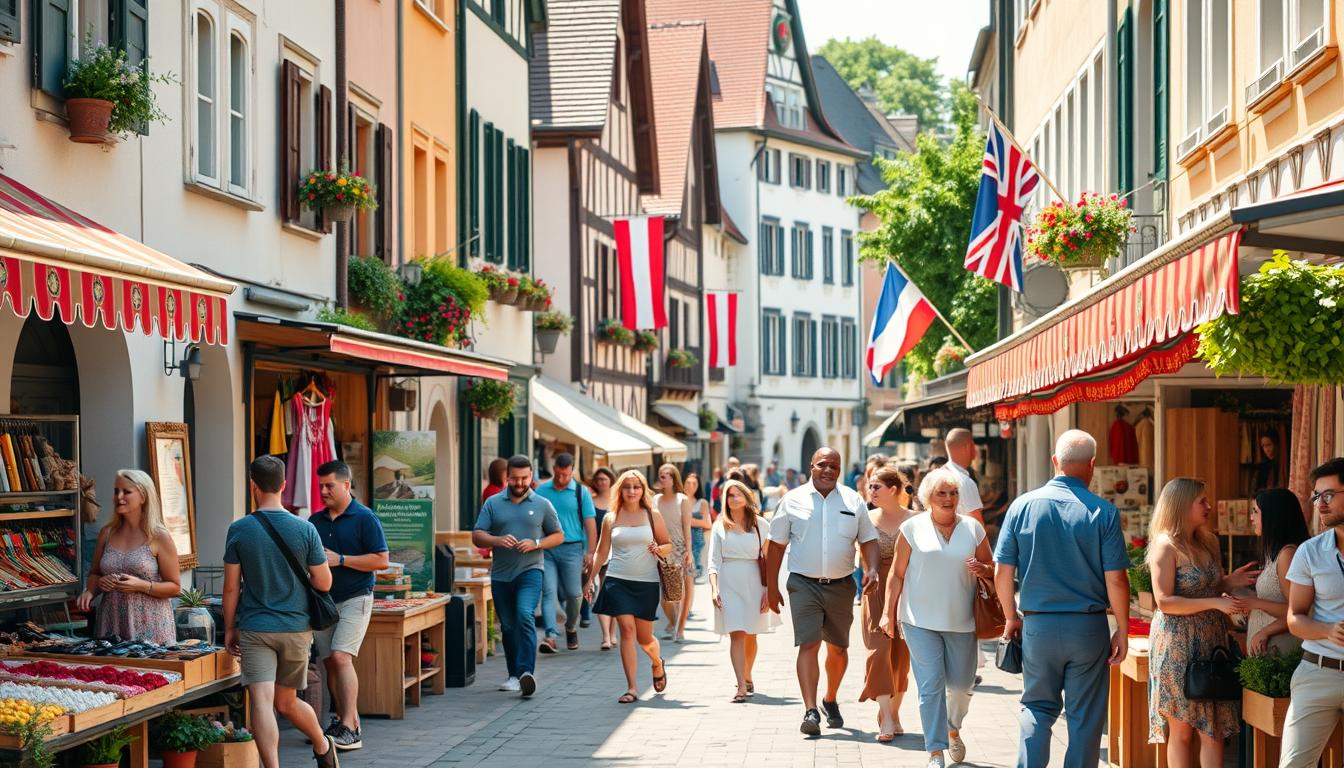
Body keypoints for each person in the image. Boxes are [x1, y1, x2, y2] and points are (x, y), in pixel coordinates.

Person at [993, 430, 1130, 768]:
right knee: (1085, 716)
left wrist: (1011, 617)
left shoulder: (1022, 506)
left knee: (1036, 707)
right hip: (1088, 628)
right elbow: (1116, 578)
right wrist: (1123, 629)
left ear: (1055, 461)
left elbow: (1002, 571)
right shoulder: (1103, 512)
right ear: (1093, 466)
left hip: (1038, 625)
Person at [222, 456, 339, 768]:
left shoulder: (239, 529)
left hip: (255, 627)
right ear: (285, 485)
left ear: (253, 486)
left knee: (262, 702)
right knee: (286, 702)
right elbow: (324, 583)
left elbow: (231, 587)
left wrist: (230, 627)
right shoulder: (306, 529)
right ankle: (322, 743)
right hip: (296, 628)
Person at [880, 468, 992, 768]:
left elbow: (992, 567)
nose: (948, 498)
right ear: (928, 497)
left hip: (962, 621)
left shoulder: (973, 528)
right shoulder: (912, 528)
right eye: (942, 493)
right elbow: (896, 574)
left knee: (960, 686)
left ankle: (952, 727)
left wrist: (984, 570)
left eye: (953, 493)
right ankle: (935, 751)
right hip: (919, 621)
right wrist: (887, 613)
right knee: (930, 686)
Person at [766, 447, 881, 737]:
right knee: (809, 644)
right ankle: (810, 709)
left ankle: (830, 698)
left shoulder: (853, 500)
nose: (828, 470)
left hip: (841, 586)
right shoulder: (792, 500)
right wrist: (770, 588)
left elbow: (868, 539)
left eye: (834, 466)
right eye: (823, 465)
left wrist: (872, 568)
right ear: (811, 467)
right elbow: (776, 545)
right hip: (803, 584)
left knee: (839, 649)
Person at [1145, 477, 1256, 765]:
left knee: (1214, 727)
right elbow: (1164, 602)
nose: (1209, 506)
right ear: (1182, 505)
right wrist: (1216, 601)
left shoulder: (1209, 541)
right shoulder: (1165, 545)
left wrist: (1229, 582)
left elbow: (1211, 586)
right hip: (1176, 643)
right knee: (1182, 729)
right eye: (1202, 501)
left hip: (1211, 640)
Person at [309, 461, 388, 751]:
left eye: (329, 486)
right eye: (320, 486)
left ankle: (351, 727)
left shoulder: (365, 518)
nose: (323, 491)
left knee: (342, 658)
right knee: (330, 663)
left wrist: (341, 559)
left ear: (346, 485)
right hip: (323, 602)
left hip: (357, 597)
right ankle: (343, 718)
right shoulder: (314, 522)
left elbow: (381, 559)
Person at [471, 455, 563, 696]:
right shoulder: (493, 503)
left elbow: (558, 535)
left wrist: (536, 543)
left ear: (531, 476)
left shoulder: (543, 504)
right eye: (515, 478)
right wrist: (497, 540)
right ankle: (513, 675)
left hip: (531, 571)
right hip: (501, 575)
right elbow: (477, 534)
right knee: (509, 626)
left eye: (524, 478)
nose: (520, 483)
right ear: (507, 477)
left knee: (524, 615)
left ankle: (525, 673)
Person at [587, 470, 673, 704]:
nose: (632, 491)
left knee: (645, 639)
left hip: (646, 582)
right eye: (627, 487)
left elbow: (668, 545)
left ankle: (657, 662)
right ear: (620, 490)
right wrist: (589, 580)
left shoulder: (652, 515)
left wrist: (659, 549)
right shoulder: (611, 517)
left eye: (636, 487)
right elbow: (601, 552)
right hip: (617, 579)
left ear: (643, 490)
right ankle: (632, 688)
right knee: (626, 630)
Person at [1280, 457, 1344, 766]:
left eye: (1328, 495)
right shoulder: (1309, 551)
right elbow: (1295, 617)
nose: (1319, 503)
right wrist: (1327, 630)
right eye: (1316, 496)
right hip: (1319, 672)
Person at [77, 469, 181, 645]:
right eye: (116, 491)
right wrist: (92, 590)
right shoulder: (107, 533)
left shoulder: (158, 536)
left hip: (150, 626)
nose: (119, 497)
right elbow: (95, 573)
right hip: (112, 622)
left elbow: (175, 587)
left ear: (143, 496)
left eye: (126, 491)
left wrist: (142, 586)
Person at [708, 479, 775, 702]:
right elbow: (713, 561)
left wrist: (769, 590)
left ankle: (747, 674)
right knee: (736, 632)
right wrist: (714, 588)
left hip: (755, 582)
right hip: (728, 581)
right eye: (729, 495)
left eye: (738, 494)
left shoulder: (760, 525)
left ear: (747, 497)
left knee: (751, 634)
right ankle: (740, 686)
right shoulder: (720, 526)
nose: (733, 498)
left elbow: (769, 559)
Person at [860, 466, 914, 742]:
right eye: (870, 486)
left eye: (876, 486)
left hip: (908, 593)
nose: (871, 491)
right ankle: (886, 716)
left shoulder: (916, 520)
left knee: (901, 658)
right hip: (875, 592)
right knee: (878, 652)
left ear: (894, 489)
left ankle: (893, 712)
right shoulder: (865, 519)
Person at [533, 453, 597, 653]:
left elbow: (590, 523)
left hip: (572, 549)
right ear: (554, 470)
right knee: (549, 591)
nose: (561, 479)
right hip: (548, 548)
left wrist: (590, 552)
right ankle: (550, 635)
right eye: (558, 474)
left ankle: (570, 626)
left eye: (566, 475)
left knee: (574, 594)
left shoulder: (581, 492)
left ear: (572, 472)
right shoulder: (542, 491)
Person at [1245, 488, 1309, 656]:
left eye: (1255, 512)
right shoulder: (1272, 553)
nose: (1251, 518)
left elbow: (1298, 611)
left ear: (1273, 516)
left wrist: (1255, 605)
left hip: (1283, 651)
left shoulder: (1287, 554)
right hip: (1269, 655)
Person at [653, 464, 695, 642]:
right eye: (660, 475)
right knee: (666, 595)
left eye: (665, 476)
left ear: (673, 479)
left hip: (680, 548)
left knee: (682, 590)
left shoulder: (682, 499)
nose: (661, 478)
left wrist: (689, 551)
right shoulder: (655, 499)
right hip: (661, 547)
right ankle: (672, 621)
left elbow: (687, 526)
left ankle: (680, 628)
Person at [582, 467, 616, 633]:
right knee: (586, 581)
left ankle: (610, 633)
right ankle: (585, 614)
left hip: (614, 550)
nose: (601, 482)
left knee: (608, 588)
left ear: (611, 480)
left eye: (604, 479)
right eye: (598, 479)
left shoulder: (617, 501)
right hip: (593, 548)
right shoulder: (590, 500)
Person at [943, 429, 985, 526]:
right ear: (968, 447)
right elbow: (978, 527)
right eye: (973, 445)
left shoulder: (935, 476)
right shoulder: (965, 482)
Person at [685, 473, 713, 582]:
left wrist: (686, 521)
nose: (691, 486)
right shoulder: (678, 500)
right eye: (688, 482)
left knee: (695, 577)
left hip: (697, 545)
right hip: (680, 545)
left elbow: (707, 524)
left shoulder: (702, 503)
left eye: (694, 483)